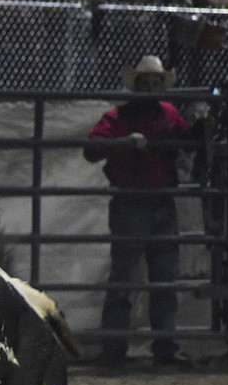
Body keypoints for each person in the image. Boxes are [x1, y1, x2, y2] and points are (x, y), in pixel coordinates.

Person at [83, 55, 194, 367]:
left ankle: (149, 348)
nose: (150, 88)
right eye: (145, 84)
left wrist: (197, 132)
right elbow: (92, 149)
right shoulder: (123, 117)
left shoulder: (162, 114)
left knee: (158, 279)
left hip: (155, 201)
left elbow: (186, 139)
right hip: (135, 202)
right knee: (131, 278)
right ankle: (129, 348)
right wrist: (124, 142)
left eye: (154, 83)